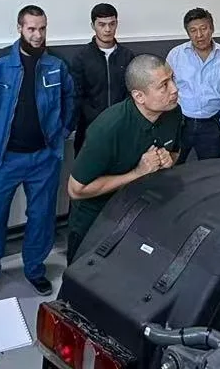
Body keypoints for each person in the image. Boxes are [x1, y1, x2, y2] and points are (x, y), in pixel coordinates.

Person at [0, 5, 76, 299]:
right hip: (5, 157)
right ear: (19, 28)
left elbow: (70, 99)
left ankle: (35, 269)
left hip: (44, 157)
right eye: (31, 29)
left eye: (42, 28)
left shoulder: (57, 64)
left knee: (42, 217)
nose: (38, 35)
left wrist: (63, 131)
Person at [65, 56, 184, 261]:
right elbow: (76, 190)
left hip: (139, 214)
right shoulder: (108, 128)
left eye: (172, 79)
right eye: (164, 85)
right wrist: (137, 173)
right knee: (86, 274)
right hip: (97, 219)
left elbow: (175, 151)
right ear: (139, 96)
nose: (174, 89)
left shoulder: (173, 112)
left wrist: (168, 161)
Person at [166, 7, 220, 160]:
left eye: (203, 28)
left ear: (212, 29)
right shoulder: (175, 55)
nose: (199, 35)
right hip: (180, 122)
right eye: (193, 30)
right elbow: (166, 89)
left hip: (212, 124)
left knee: (211, 169)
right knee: (172, 166)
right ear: (188, 33)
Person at [66, 2, 135, 152]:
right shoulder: (81, 57)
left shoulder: (127, 56)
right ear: (93, 25)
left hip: (121, 127)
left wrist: (122, 118)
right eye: (102, 24)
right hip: (89, 129)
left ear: (116, 24)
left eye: (112, 24)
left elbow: (132, 93)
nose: (107, 29)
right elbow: (76, 95)